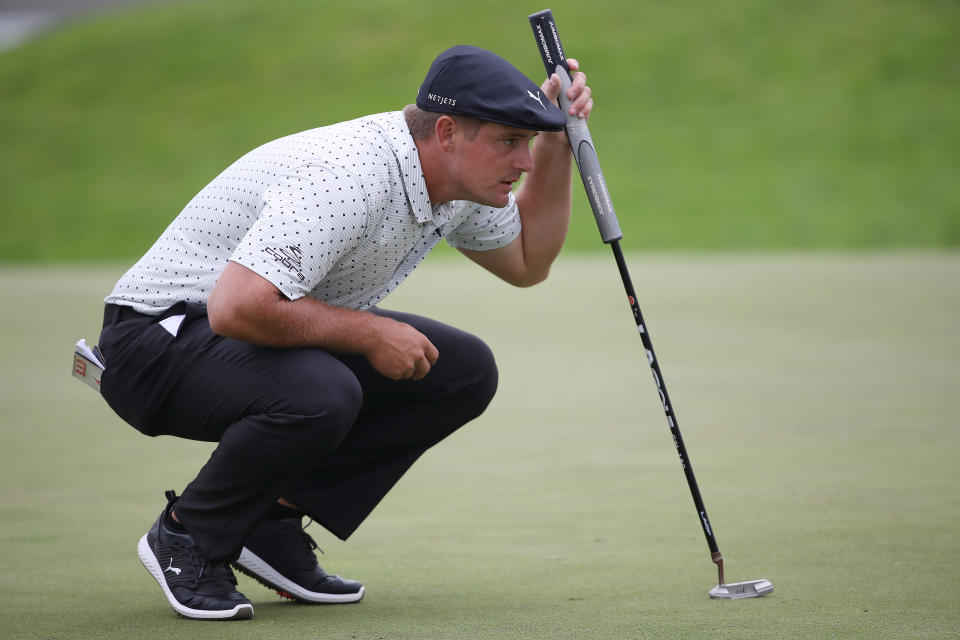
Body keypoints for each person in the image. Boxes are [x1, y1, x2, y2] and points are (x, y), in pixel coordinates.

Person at [96, 44, 593, 621]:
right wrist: (368, 334)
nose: (523, 161)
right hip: (156, 342)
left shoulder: (454, 182)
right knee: (325, 392)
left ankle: (269, 521)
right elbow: (236, 308)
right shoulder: (350, 173)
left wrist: (557, 142)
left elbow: (527, 261)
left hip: (238, 334)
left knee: (460, 371)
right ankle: (187, 535)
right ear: (449, 133)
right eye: (510, 142)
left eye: (527, 143)